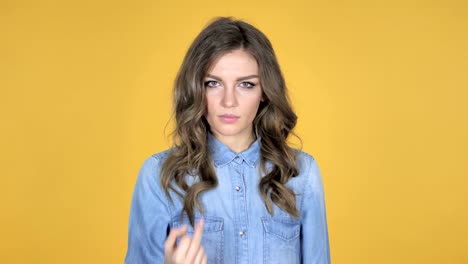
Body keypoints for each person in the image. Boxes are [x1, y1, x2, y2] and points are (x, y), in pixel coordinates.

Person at [124, 16, 330, 264]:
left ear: (264, 90)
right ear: (196, 89)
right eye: (213, 83)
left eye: (245, 84)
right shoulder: (158, 176)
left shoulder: (302, 174)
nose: (228, 101)